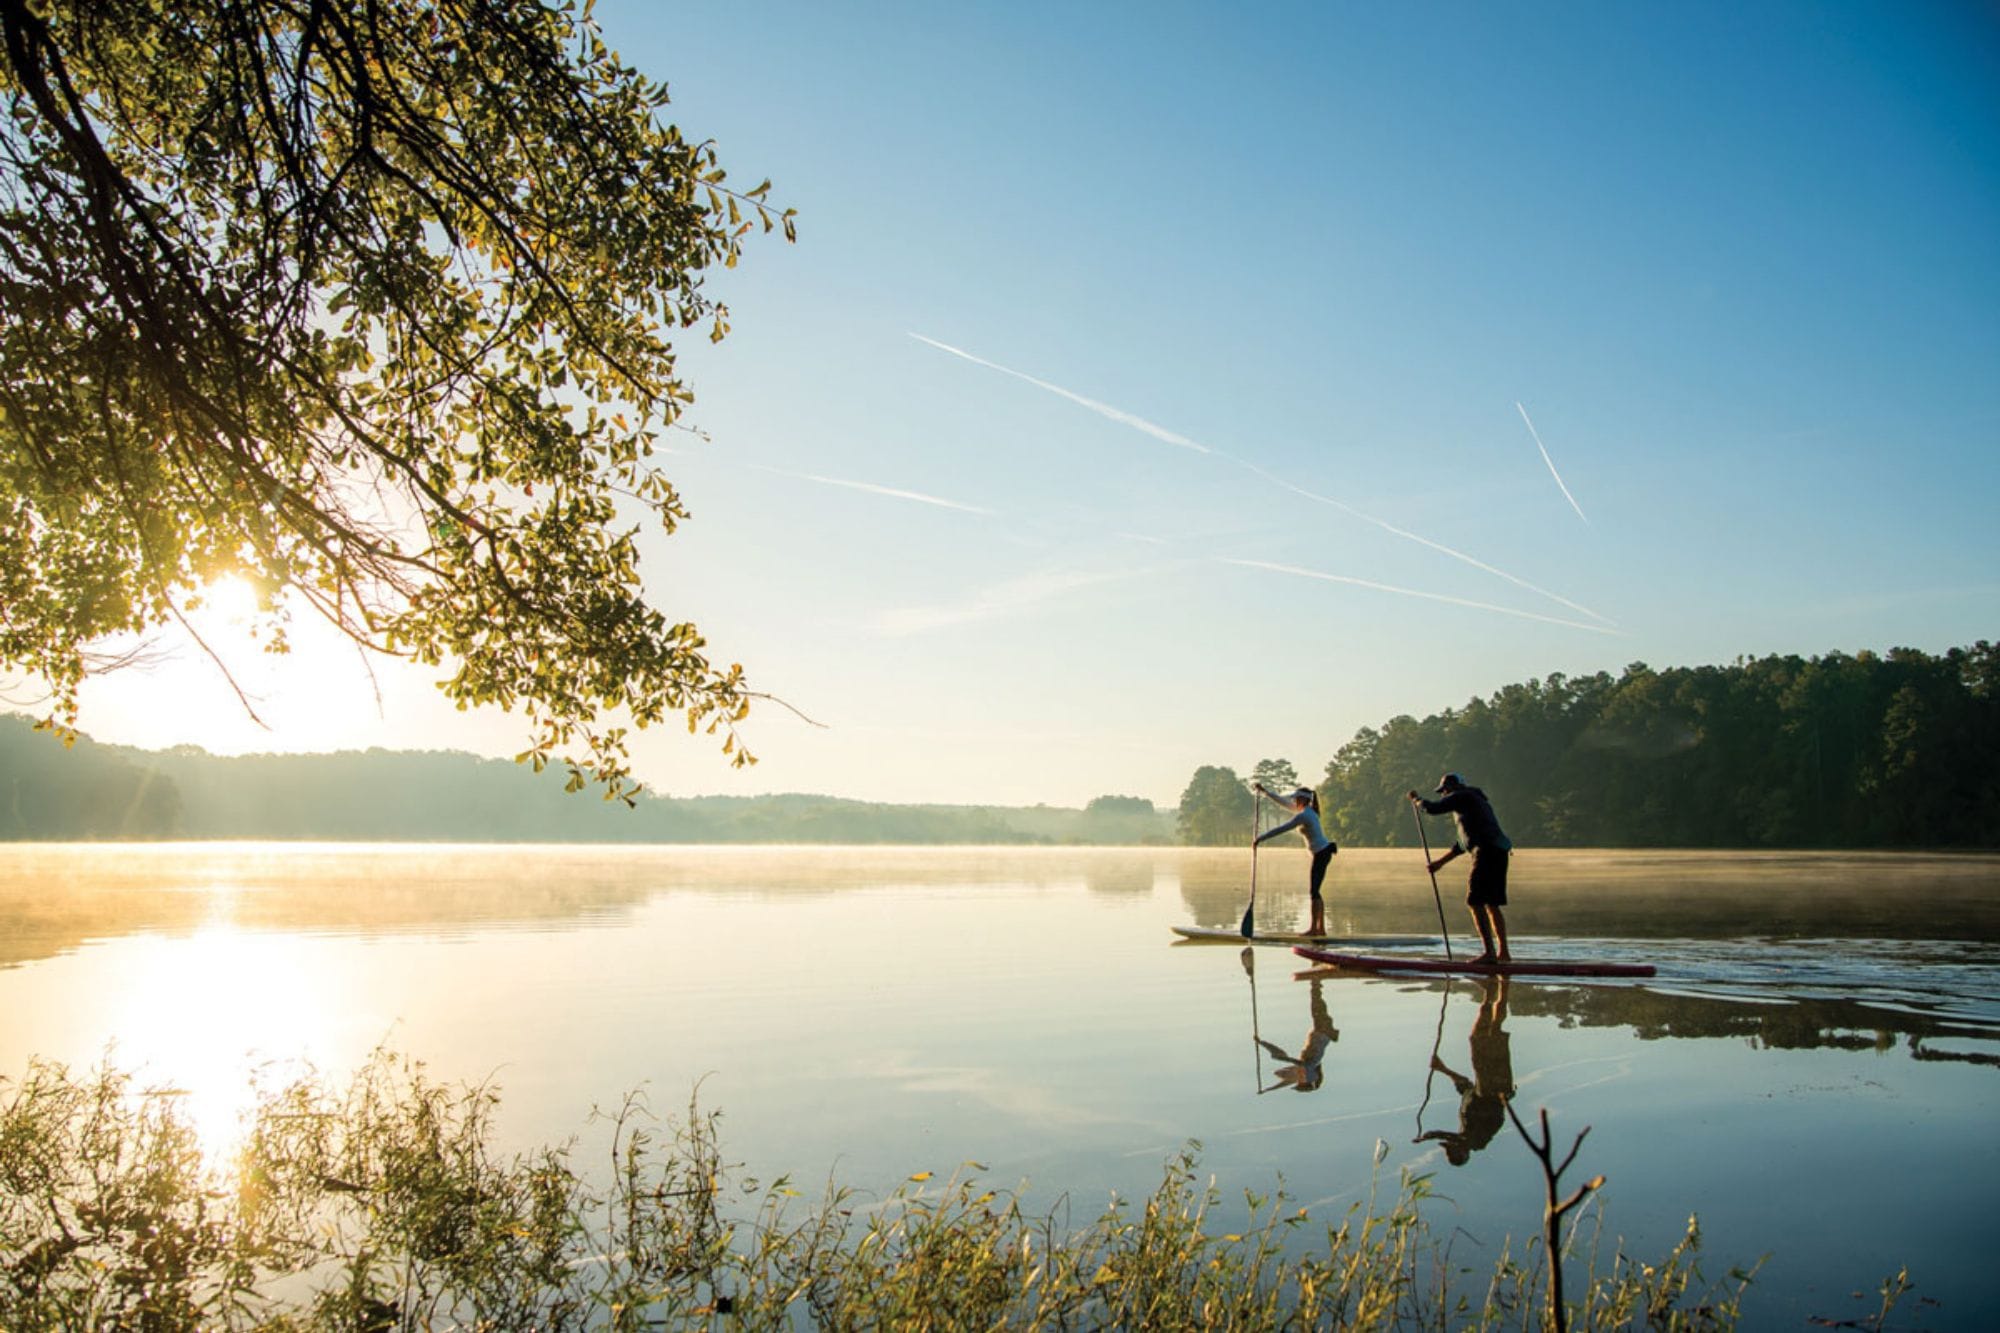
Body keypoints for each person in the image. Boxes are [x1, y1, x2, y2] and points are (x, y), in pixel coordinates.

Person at [1407, 772, 1513, 964]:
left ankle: (1490, 954)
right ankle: (1503, 953)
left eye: (1444, 790)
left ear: (1453, 787)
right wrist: (1440, 863)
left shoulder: (1463, 796)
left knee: (1475, 901)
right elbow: (1462, 844)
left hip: (1487, 851)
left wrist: (1417, 801)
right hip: (1498, 850)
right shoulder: (1471, 804)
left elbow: (1433, 808)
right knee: (1491, 903)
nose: (1444, 794)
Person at [1416, 975, 1514, 1165]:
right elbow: (1464, 1140)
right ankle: (1504, 983)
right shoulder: (1478, 1142)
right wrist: (1432, 1136)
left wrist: (1442, 1068)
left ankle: (1490, 990)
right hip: (1496, 1086)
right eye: (1453, 1148)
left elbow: (1465, 1086)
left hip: (1484, 1082)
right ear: (1463, 1152)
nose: (1451, 1143)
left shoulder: (1465, 1127)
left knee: (1477, 1036)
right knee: (1495, 1030)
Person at [1252, 782, 1338, 936]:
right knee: (1315, 891)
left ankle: (1315, 929)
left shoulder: (1304, 815)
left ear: (1302, 800)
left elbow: (1283, 828)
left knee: (1314, 891)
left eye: (1296, 799)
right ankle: (1320, 929)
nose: (1294, 801)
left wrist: (1260, 838)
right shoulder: (1308, 811)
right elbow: (1283, 802)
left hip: (1322, 853)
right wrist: (1265, 792)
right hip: (1322, 853)